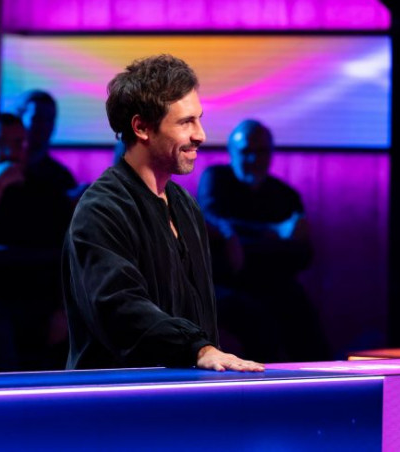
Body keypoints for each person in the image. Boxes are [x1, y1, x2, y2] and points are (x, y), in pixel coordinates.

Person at [62, 54, 264, 372]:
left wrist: (204, 355)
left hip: (180, 391)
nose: (200, 135)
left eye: (199, 119)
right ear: (141, 127)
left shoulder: (184, 203)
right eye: (186, 122)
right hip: (117, 395)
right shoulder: (100, 210)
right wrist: (197, 349)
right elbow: (120, 309)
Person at [197, 119, 329, 362]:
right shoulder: (216, 179)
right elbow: (213, 219)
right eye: (246, 151)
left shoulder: (285, 194)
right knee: (254, 318)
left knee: (301, 316)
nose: (253, 159)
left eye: (261, 152)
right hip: (225, 282)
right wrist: (276, 233)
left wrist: (243, 243)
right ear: (231, 153)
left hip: (272, 281)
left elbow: (303, 253)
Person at [0, 112, 72, 371]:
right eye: (1, 144)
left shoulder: (44, 189)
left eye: (18, 143)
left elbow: (67, 251)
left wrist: (63, 310)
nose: (10, 152)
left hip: (37, 297)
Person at [15, 90, 76, 195]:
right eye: (37, 119)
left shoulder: (60, 176)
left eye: (49, 120)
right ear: (19, 119)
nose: (44, 126)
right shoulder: (5, 171)